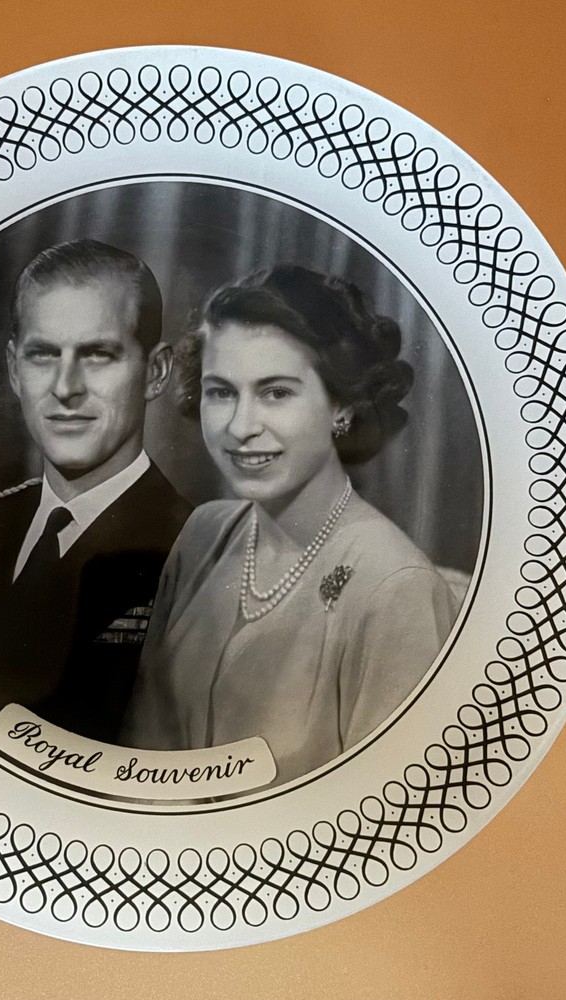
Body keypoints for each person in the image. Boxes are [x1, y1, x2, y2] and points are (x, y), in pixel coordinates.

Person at [122, 265, 461, 785]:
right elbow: (140, 760)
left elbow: (392, 815)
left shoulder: (397, 589)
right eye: (221, 392)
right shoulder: (202, 534)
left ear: (341, 406)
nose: (240, 427)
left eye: (276, 392)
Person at [0, 240, 192, 746]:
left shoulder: (196, 553)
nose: (66, 387)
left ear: (154, 373)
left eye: (98, 355)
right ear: (13, 370)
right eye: (44, 355)